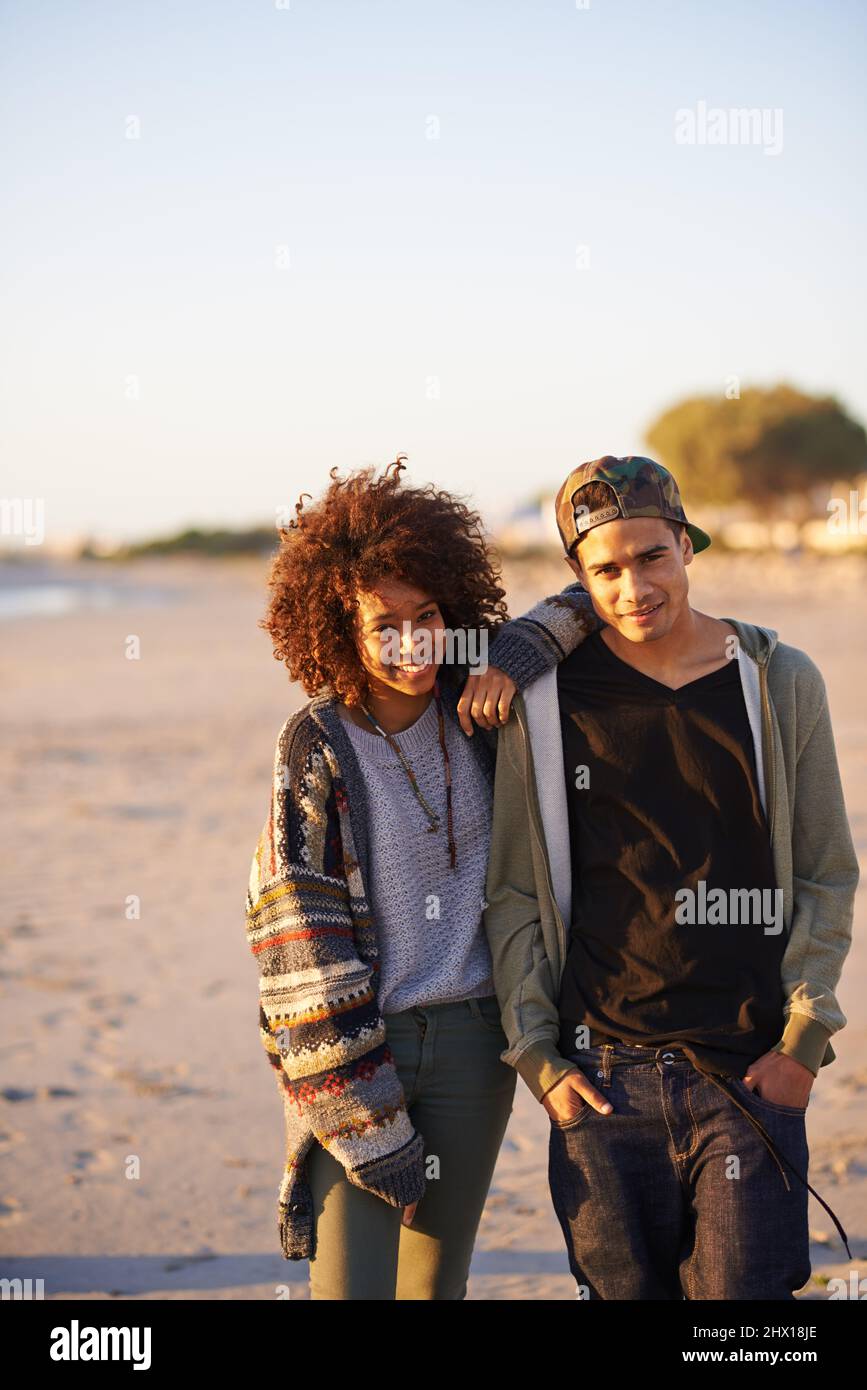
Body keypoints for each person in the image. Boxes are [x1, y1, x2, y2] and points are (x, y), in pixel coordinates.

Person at [483, 454, 859, 1300]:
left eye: (651, 557)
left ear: (687, 545)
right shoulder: (545, 703)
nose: (633, 587)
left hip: (746, 1070)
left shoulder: (775, 681)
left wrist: (802, 1041)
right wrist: (537, 1059)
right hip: (599, 1080)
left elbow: (828, 874)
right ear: (578, 583)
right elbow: (512, 890)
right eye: (605, 570)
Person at [243, 455, 600, 1299]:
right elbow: (301, 940)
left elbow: (588, 598)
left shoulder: (478, 711)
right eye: (382, 623)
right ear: (338, 627)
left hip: (479, 1044)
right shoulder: (317, 744)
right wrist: (366, 1117)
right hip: (361, 1047)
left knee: (435, 1291)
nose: (411, 642)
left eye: (427, 615)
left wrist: (509, 651)